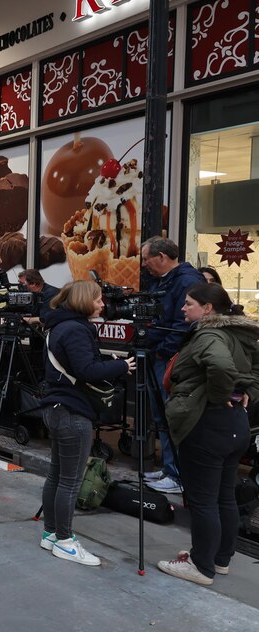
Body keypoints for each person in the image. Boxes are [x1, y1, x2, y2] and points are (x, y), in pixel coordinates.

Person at [156, 283, 259, 586]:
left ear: (208, 308)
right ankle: (219, 558)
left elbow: (221, 367)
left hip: (207, 424)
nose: (183, 308)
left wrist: (220, 394)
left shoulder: (209, 335)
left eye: (189, 304)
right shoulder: (240, 334)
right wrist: (245, 393)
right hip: (233, 425)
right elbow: (252, 370)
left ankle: (201, 566)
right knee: (223, 495)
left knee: (202, 500)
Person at [40, 280, 135, 566]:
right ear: (83, 300)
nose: (102, 304)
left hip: (57, 407)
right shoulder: (76, 329)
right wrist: (122, 365)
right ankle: (66, 541)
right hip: (72, 411)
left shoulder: (58, 325)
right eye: (97, 299)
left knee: (56, 476)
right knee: (70, 481)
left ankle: (51, 534)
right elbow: (87, 370)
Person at [141, 237, 206, 494]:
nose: (144, 264)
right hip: (161, 355)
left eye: (147, 258)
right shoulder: (166, 280)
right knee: (162, 415)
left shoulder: (187, 281)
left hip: (171, 360)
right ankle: (170, 468)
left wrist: (162, 352)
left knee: (173, 415)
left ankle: (177, 473)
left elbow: (184, 324)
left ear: (162, 257)